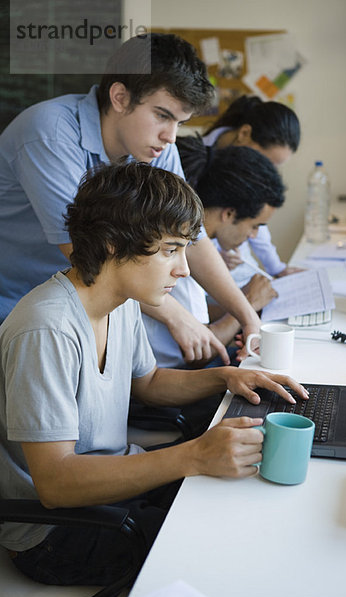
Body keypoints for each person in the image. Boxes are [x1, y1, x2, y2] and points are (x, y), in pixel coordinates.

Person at [0, 162, 308, 589]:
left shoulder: (121, 300)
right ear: (111, 243)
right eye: (169, 250)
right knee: (227, 550)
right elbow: (55, 484)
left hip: (113, 489)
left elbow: (149, 384)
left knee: (241, 503)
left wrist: (226, 377)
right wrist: (194, 455)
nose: (183, 269)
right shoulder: (46, 328)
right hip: (56, 533)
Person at [0, 33, 261, 367]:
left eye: (180, 123)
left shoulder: (155, 147)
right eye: (163, 115)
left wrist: (246, 315)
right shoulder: (48, 133)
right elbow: (87, 254)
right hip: (26, 306)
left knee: (188, 324)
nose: (171, 136)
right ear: (120, 97)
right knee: (177, 339)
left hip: (95, 295)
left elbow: (190, 236)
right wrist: (178, 318)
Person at [144, 138, 284, 368]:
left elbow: (197, 316)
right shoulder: (179, 256)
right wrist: (248, 303)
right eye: (254, 226)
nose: (253, 236)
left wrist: (241, 304)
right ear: (229, 214)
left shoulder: (200, 250)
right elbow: (201, 351)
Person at [201, 95, 303, 286]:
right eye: (267, 161)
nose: (264, 169)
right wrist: (208, 256)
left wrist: (278, 269)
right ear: (244, 133)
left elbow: (255, 218)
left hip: (236, 273)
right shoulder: (194, 161)